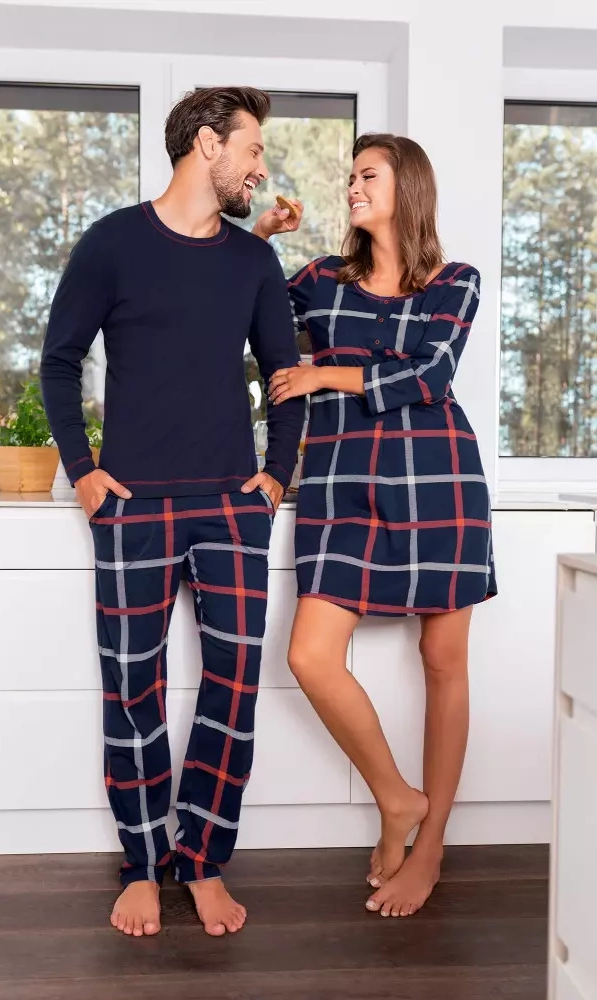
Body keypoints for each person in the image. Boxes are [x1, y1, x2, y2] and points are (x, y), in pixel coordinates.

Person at [40, 87, 304, 938]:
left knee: (233, 686)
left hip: (233, 509)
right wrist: (83, 472)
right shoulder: (112, 244)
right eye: (252, 148)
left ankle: (204, 861)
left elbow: (284, 377)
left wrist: (275, 477)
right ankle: (144, 863)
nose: (260, 167)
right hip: (133, 509)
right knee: (134, 688)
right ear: (207, 144)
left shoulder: (253, 262)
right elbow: (58, 360)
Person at [253, 133, 496, 918]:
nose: (353, 186)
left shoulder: (455, 281)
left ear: (407, 188)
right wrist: (259, 238)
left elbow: (432, 374)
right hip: (340, 485)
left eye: (369, 175)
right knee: (309, 655)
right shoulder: (320, 281)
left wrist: (323, 372)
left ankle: (430, 848)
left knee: (443, 662)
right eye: (351, 176)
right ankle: (398, 798)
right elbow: (244, 317)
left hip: (439, 481)